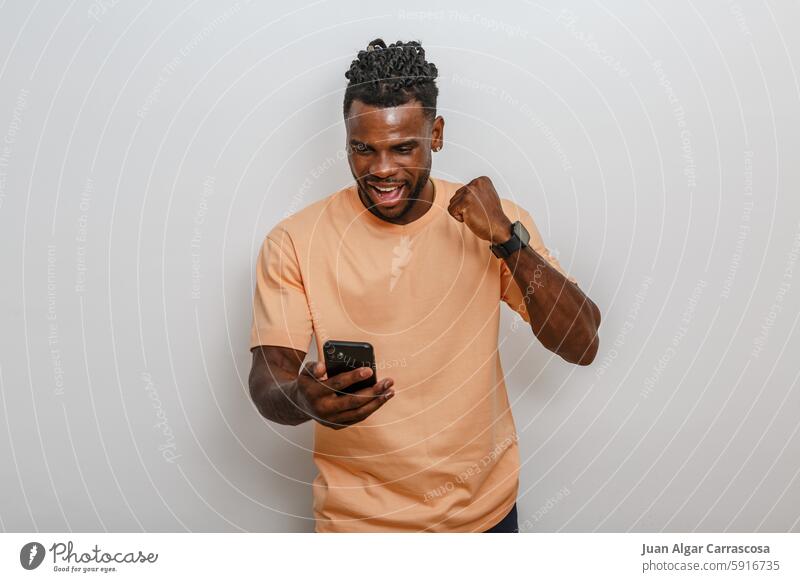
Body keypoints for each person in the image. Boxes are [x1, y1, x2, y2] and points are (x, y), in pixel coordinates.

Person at [248, 38, 601, 532]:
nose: (382, 169)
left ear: (435, 134)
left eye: (403, 148)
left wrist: (506, 240)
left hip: (484, 519)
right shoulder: (293, 240)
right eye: (362, 149)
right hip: (359, 527)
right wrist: (304, 398)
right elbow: (269, 377)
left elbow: (582, 342)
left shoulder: (496, 223)